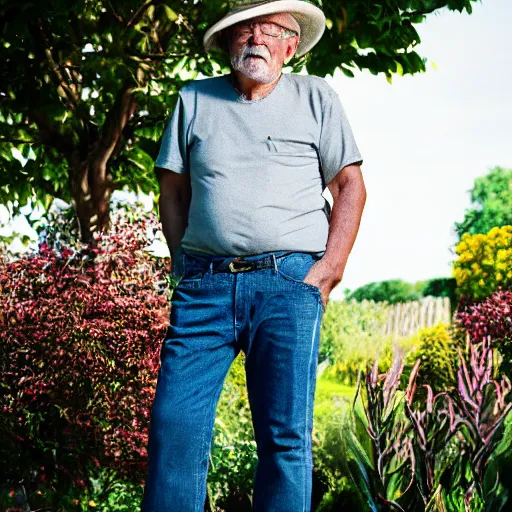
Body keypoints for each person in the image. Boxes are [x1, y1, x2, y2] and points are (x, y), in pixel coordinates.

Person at [141, 1, 366, 510]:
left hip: (288, 284)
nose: (256, 38)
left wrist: (327, 272)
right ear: (226, 42)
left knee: (284, 437)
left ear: (291, 44)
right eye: (244, 29)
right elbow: (172, 192)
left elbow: (350, 185)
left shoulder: (316, 97)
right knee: (174, 425)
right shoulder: (193, 99)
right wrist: (184, 266)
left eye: (270, 29)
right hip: (205, 288)